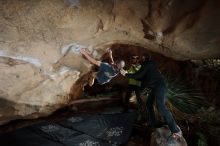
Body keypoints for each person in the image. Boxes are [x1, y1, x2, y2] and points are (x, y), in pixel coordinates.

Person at [121, 53, 182, 140]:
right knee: (149, 104)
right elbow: (139, 77)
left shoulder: (149, 63)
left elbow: (138, 75)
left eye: (139, 58)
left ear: (145, 58)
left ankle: (175, 130)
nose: (137, 60)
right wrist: (127, 73)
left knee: (160, 106)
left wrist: (126, 74)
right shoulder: (145, 66)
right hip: (155, 87)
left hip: (160, 86)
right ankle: (153, 123)